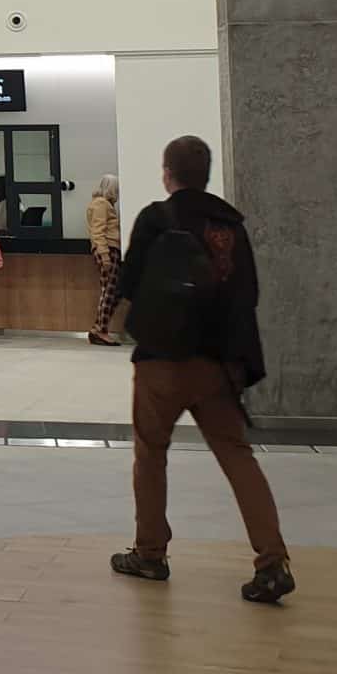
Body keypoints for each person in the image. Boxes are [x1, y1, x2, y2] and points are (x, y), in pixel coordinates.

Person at [112, 133, 294, 605]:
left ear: (167, 172)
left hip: (160, 364)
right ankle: (272, 561)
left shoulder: (155, 218)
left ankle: (150, 554)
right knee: (237, 456)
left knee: (151, 454)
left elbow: (128, 282)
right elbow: (247, 295)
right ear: (206, 173)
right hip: (215, 366)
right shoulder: (230, 225)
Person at [86, 172, 122, 345]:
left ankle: (98, 328)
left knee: (110, 291)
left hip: (106, 249)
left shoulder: (103, 204)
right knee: (109, 291)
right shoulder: (102, 204)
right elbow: (97, 231)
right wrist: (105, 254)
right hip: (108, 249)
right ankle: (101, 330)